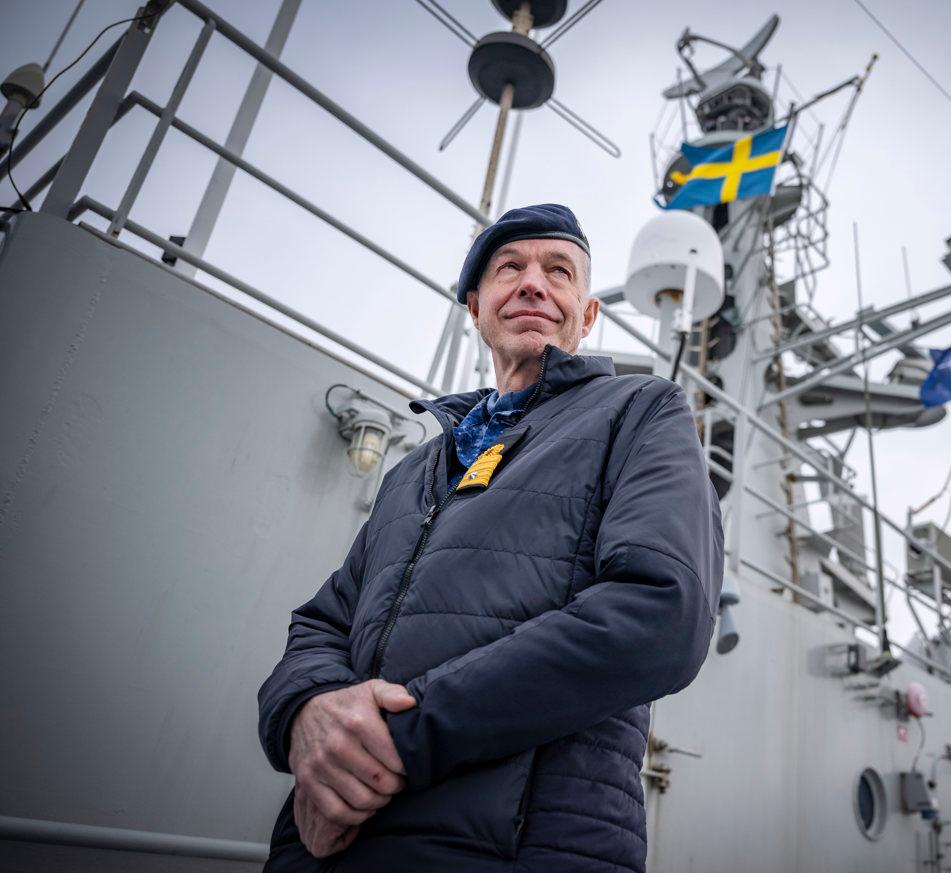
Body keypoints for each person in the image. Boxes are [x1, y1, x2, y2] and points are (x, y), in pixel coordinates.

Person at [257, 204, 724, 872]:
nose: (533, 283)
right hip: (329, 849)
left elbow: (664, 608)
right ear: (475, 307)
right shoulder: (416, 468)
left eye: (559, 271)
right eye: (510, 267)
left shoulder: (641, 411)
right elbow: (321, 624)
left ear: (586, 314)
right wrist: (305, 717)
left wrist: (397, 739)